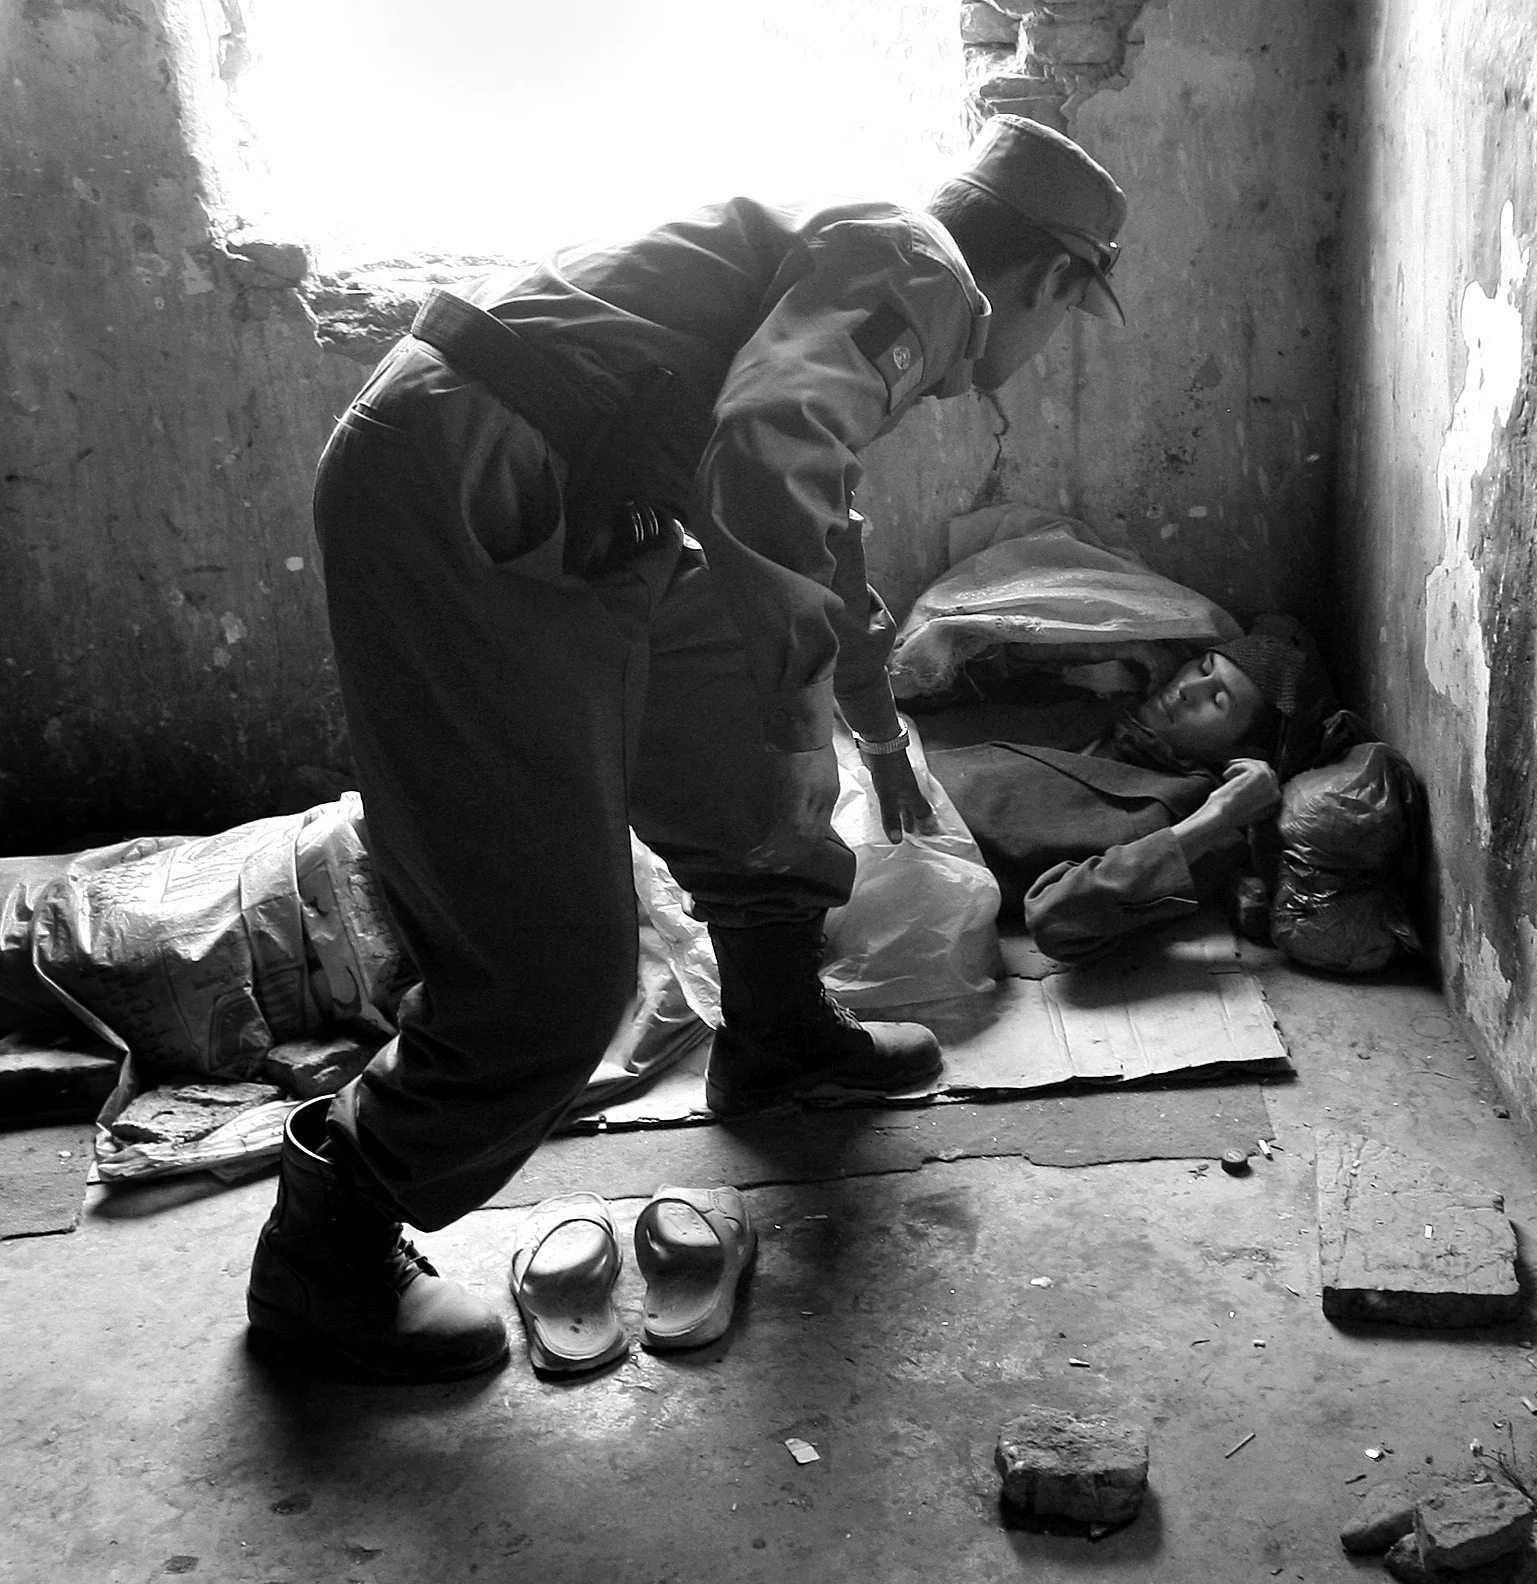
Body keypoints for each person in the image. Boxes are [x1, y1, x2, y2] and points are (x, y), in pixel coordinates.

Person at [245, 117, 1131, 1381]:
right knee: (552, 968)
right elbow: (770, 445)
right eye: (1063, 320)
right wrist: (804, 671)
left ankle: (775, 1031)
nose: (1038, 353)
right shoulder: (933, 274)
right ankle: (325, 1248)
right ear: (1049, 280)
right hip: (470, 484)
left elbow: (805, 494)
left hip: (577, 483)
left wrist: (848, 678)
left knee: (738, 724)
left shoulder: (876, 251)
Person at [928, 628, 1334, 963]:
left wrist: (1219, 815)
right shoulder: (1110, 704)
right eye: (1202, 667)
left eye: (1217, 699)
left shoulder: (1182, 816)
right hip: (881, 765)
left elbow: (1056, 918)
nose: (1189, 687)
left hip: (906, 850)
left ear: (1242, 755)